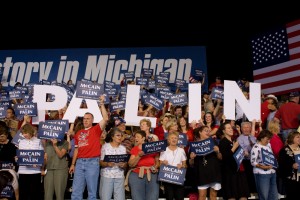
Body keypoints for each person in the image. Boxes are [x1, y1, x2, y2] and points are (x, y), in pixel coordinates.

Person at [69, 95, 108, 200]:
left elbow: (105, 118)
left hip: (92, 162)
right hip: (79, 162)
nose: (85, 120)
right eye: (84, 119)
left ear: (92, 120)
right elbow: (76, 149)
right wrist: (73, 164)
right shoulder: (79, 133)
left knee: (92, 193)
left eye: (88, 119)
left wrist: (102, 104)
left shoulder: (96, 129)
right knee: (76, 192)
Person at [218, 121, 249, 200]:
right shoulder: (222, 142)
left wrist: (243, 153)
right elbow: (225, 158)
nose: (231, 129)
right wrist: (234, 148)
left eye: (231, 128)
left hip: (239, 172)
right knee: (232, 196)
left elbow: (237, 156)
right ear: (224, 131)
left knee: (243, 196)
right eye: (228, 128)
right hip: (230, 174)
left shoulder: (234, 141)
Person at [189, 126, 222, 200]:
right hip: (201, 173)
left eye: (208, 131)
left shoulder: (214, 142)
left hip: (214, 172)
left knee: (213, 195)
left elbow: (220, 157)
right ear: (200, 132)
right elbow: (191, 164)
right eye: (205, 130)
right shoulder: (194, 145)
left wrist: (218, 152)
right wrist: (191, 158)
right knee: (202, 196)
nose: (208, 132)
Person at [126, 130, 160, 200]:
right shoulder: (135, 149)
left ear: (143, 138)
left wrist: (155, 167)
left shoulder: (152, 147)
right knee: (137, 197)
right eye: (135, 137)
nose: (136, 138)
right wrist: (138, 156)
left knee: (153, 197)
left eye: (138, 137)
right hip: (136, 174)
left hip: (151, 173)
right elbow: (131, 164)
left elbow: (157, 161)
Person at [17, 124, 44, 200]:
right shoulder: (21, 142)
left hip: (35, 172)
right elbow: (20, 155)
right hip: (23, 171)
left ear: (31, 132)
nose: (24, 135)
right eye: (23, 133)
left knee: (35, 194)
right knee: (23, 194)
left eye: (26, 133)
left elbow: (41, 155)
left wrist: (38, 163)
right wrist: (17, 157)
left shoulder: (38, 141)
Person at [99, 127, 127, 200]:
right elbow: (101, 162)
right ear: (112, 136)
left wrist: (123, 165)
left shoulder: (123, 148)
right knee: (105, 197)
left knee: (120, 198)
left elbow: (125, 164)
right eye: (118, 135)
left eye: (121, 135)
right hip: (107, 176)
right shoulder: (105, 147)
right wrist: (107, 164)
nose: (120, 137)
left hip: (119, 176)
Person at [250, 130, 278, 200]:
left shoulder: (269, 145)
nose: (268, 141)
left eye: (269, 139)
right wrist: (263, 167)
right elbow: (253, 162)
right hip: (262, 174)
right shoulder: (256, 147)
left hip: (272, 172)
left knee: (274, 196)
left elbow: (271, 157)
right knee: (264, 196)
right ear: (262, 138)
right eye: (267, 139)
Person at [159, 131, 187, 200]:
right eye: (172, 138)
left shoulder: (181, 150)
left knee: (180, 198)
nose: (174, 139)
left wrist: (182, 166)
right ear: (168, 140)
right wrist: (163, 163)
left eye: (175, 138)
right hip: (168, 179)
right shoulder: (164, 150)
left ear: (178, 140)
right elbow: (160, 165)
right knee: (169, 197)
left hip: (179, 178)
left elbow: (185, 165)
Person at [278, 131, 300, 199]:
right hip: (291, 179)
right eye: (298, 137)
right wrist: (291, 165)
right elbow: (281, 164)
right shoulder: (284, 150)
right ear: (292, 138)